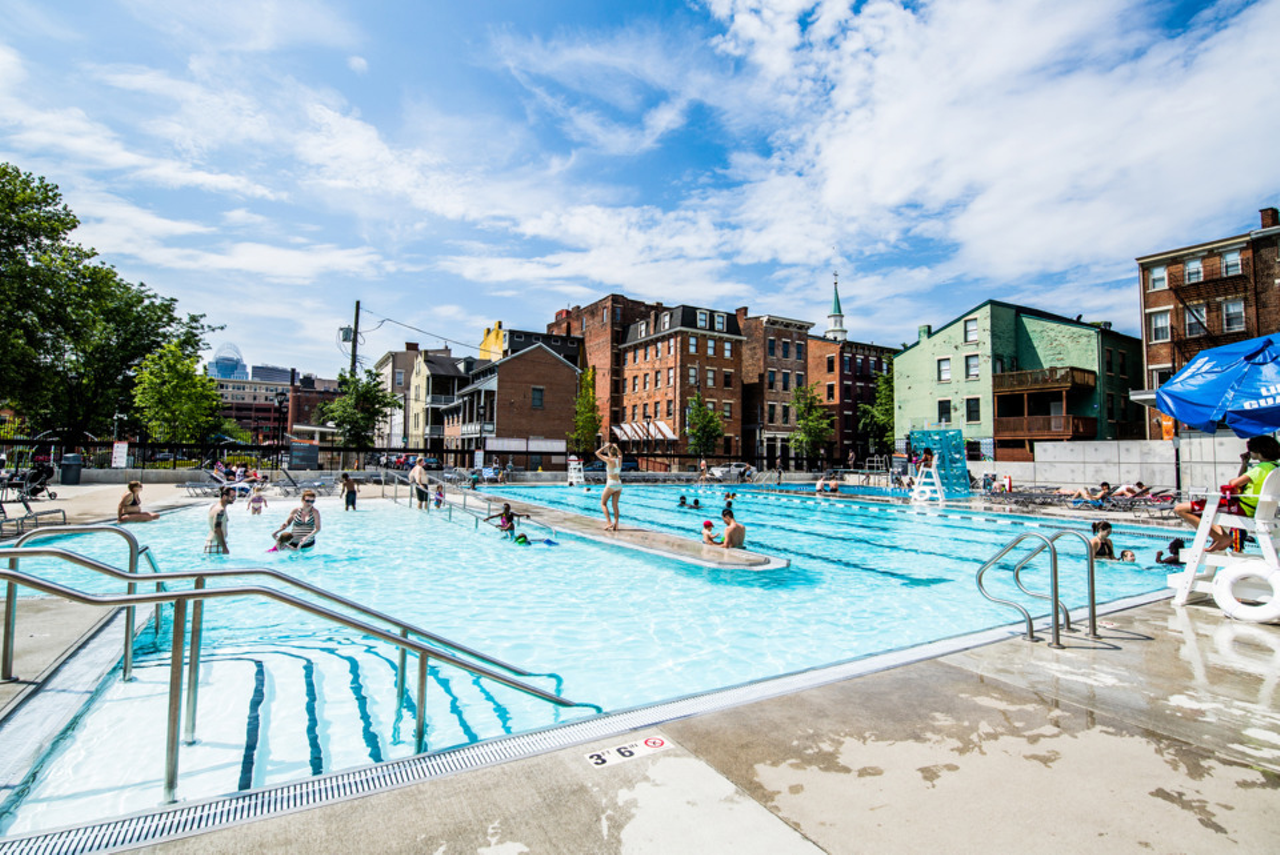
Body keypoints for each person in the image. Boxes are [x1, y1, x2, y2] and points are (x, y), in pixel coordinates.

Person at [1174, 434, 1280, 551]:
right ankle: (1220, 537)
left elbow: (1234, 483)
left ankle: (1222, 538)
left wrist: (1233, 481)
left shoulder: (1261, 468)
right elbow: (1243, 481)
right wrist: (1245, 463)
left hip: (1240, 507)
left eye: (1250, 451)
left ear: (1258, 451)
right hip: (1255, 508)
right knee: (1201, 510)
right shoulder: (1275, 467)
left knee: (1181, 509)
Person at [596, 443, 623, 530]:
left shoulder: (609, 460)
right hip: (618, 484)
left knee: (603, 503)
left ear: (610, 453)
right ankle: (616, 524)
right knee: (615, 505)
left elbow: (597, 453)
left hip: (611, 483)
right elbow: (620, 454)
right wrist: (616, 446)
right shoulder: (619, 459)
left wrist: (605, 446)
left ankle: (609, 523)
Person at [205, 487, 235, 554]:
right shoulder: (220, 510)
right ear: (224, 496)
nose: (234, 499)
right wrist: (224, 547)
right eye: (232, 497)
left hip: (213, 543)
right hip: (216, 543)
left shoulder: (215, 506)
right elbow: (217, 529)